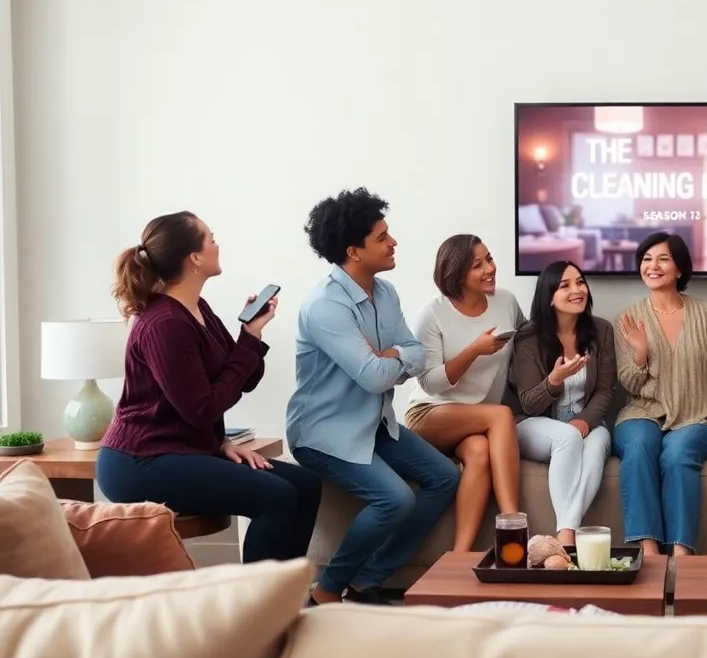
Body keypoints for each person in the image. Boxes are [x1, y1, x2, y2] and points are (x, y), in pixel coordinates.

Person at [97, 211, 321, 571]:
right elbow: (202, 408)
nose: (217, 245)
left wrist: (252, 334)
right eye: (211, 239)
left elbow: (244, 380)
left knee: (305, 485)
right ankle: (257, 601)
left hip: (180, 447)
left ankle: (287, 594)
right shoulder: (164, 324)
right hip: (140, 461)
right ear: (195, 258)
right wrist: (247, 344)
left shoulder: (197, 308)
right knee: (276, 496)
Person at [286, 188, 461, 605]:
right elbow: (374, 378)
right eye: (382, 237)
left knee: (445, 476)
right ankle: (327, 590)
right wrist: (395, 360)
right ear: (354, 252)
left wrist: (392, 356)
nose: (393, 241)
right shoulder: (325, 307)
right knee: (395, 499)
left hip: (375, 424)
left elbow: (418, 353)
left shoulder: (385, 293)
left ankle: (367, 581)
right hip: (324, 433)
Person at [613, 232, 707, 557]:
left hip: (697, 418)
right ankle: (649, 553)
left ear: (679, 268)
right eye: (646, 259)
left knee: (677, 454)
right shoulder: (628, 318)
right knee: (638, 448)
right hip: (641, 414)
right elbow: (629, 384)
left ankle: (681, 555)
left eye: (663, 259)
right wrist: (639, 353)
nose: (652, 266)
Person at [404, 235, 526, 552]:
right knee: (501, 415)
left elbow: (528, 346)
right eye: (477, 265)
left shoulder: (506, 302)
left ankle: (459, 555)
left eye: (490, 258)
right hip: (430, 414)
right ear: (456, 273)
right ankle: (513, 522)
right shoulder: (433, 314)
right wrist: (474, 350)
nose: (490, 268)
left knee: (479, 452)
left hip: (477, 423)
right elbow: (429, 383)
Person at [510, 260, 616, 546]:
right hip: (534, 423)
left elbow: (605, 390)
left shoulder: (602, 331)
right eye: (565, 285)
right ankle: (568, 534)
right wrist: (554, 380)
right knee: (567, 437)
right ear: (549, 297)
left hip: (586, 420)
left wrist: (585, 420)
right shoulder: (528, 338)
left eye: (580, 282)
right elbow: (529, 404)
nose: (577, 290)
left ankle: (566, 534)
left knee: (597, 442)